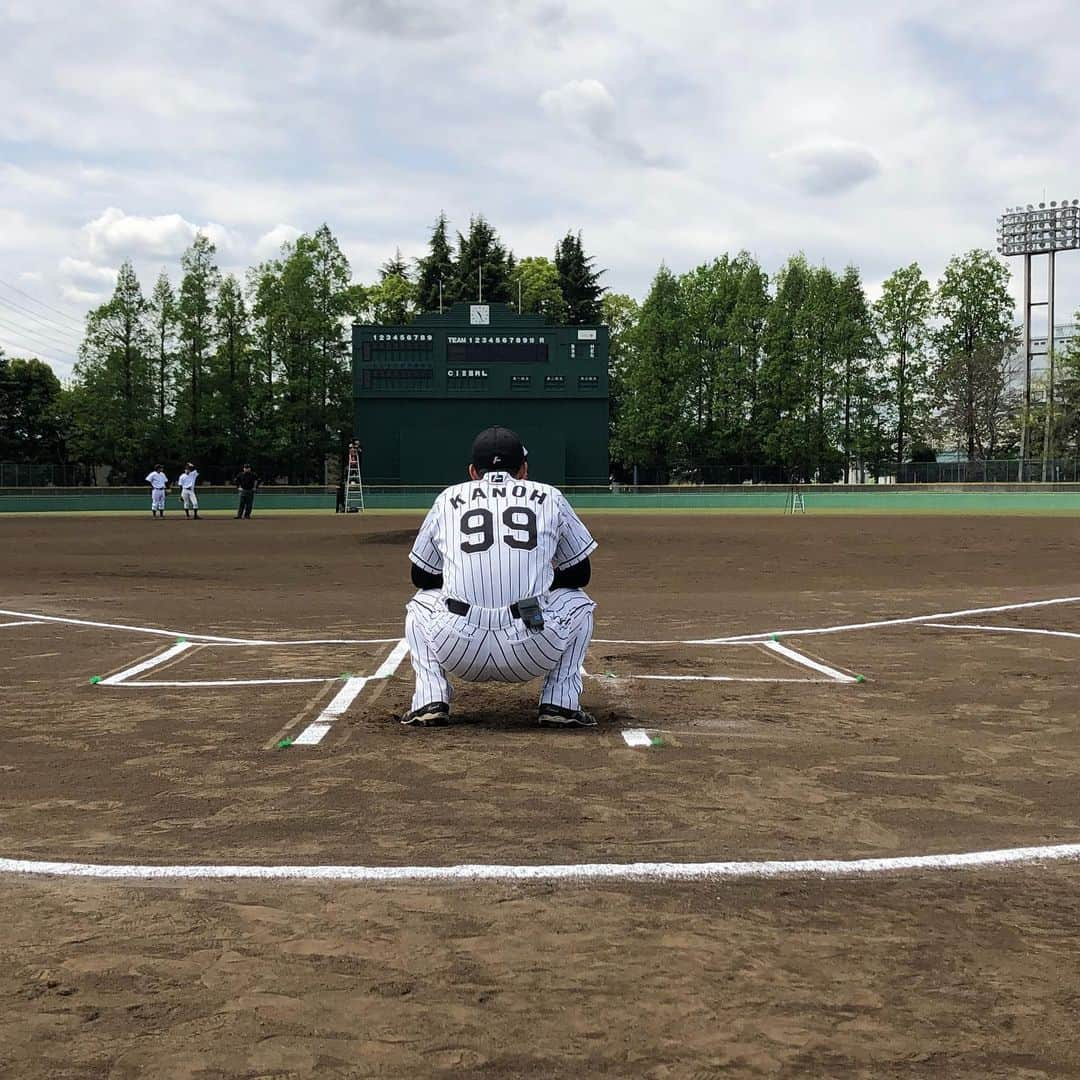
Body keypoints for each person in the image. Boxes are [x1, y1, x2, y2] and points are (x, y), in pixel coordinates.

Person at [402, 426, 598, 729]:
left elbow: (421, 575)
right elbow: (580, 573)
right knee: (578, 603)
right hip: (532, 645)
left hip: (458, 649)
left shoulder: (448, 498)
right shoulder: (550, 496)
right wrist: (539, 580)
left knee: (419, 605)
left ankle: (430, 699)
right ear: (523, 469)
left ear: (472, 471)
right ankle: (560, 703)